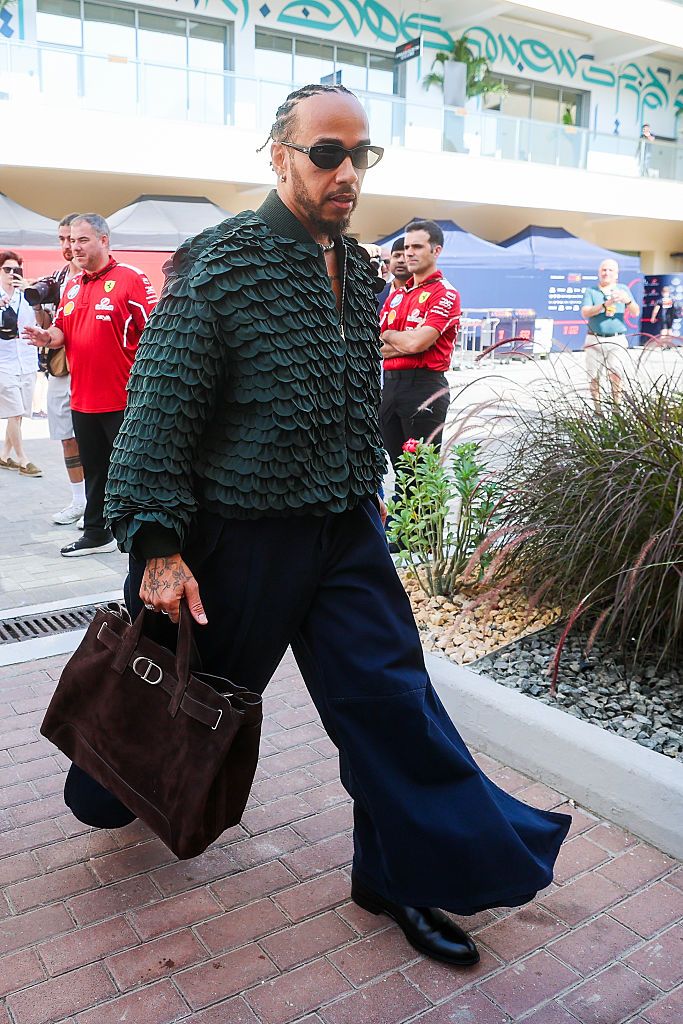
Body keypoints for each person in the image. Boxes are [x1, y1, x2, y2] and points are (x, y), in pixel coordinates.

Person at [90, 83, 570, 966]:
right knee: (170, 702)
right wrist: (156, 545)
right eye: (326, 153)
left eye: (361, 155)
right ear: (279, 156)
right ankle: (102, 785)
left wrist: (368, 488)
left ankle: (394, 877)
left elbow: (353, 399)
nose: (347, 172)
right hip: (238, 539)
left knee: (390, 708)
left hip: (343, 528)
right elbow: (157, 413)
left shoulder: (358, 272)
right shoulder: (221, 265)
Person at [23, 214, 157, 556]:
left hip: (124, 400)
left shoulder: (131, 278)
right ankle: (98, 534)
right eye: (71, 241)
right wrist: (46, 336)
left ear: (104, 240)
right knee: (95, 470)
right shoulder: (71, 285)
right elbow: (61, 332)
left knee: (136, 472)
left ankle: (151, 540)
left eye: (82, 240)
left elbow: (156, 334)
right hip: (82, 399)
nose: (74, 247)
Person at [379, 220, 459, 473]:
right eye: (406, 247)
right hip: (390, 387)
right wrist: (402, 338)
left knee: (422, 480)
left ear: (436, 251)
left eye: (417, 246)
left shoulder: (445, 293)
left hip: (424, 389)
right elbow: (375, 346)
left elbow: (417, 343)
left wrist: (391, 334)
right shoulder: (397, 295)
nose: (409, 252)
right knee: (402, 476)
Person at [32, 213, 87, 525]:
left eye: (74, 239)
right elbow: (48, 326)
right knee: (67, 436)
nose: (68, 245)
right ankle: (78, 500)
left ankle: (98, 502)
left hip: (91, 369)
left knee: (95, 437)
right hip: (59, 367)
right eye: (63, 239)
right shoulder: (56, 278)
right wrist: (38, 304)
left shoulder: (100, 275)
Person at [0, 251, 41, 477]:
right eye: (7, 269)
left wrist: (31, 294)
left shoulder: (26, 296)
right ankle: (23, 459)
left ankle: (4, 454)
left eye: (16, 270)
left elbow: (40, 319)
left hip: (26, 359)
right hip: (3, 361)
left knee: (20, 413)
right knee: (14, 409)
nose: (12, 274)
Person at [581, 259, 639, 413]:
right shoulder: (591, 291)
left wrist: (627, 300)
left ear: (617, 274)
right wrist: (605, 305)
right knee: (593, 377)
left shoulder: (623, 289)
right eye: (604, 270)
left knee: (616, 374)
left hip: (617, 339)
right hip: (594, 339)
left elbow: (636, 311)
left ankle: (617, 409)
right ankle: (598, 411)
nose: (606, 273)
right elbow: (585, 312)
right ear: (599, 273)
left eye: (610, 270)